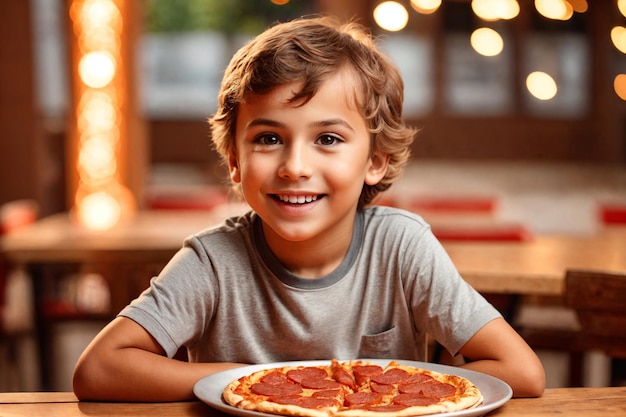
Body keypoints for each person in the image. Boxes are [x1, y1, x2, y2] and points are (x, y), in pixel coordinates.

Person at [72, 15, 545, 402]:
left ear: (374, 162)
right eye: (269, 139)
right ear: (235, 162)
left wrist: (387, 387)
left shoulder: (401, 246)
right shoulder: (212, 263)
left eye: (328, 139)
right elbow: (98, 369)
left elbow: (522, 372)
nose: (295, 166)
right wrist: (246, 382)